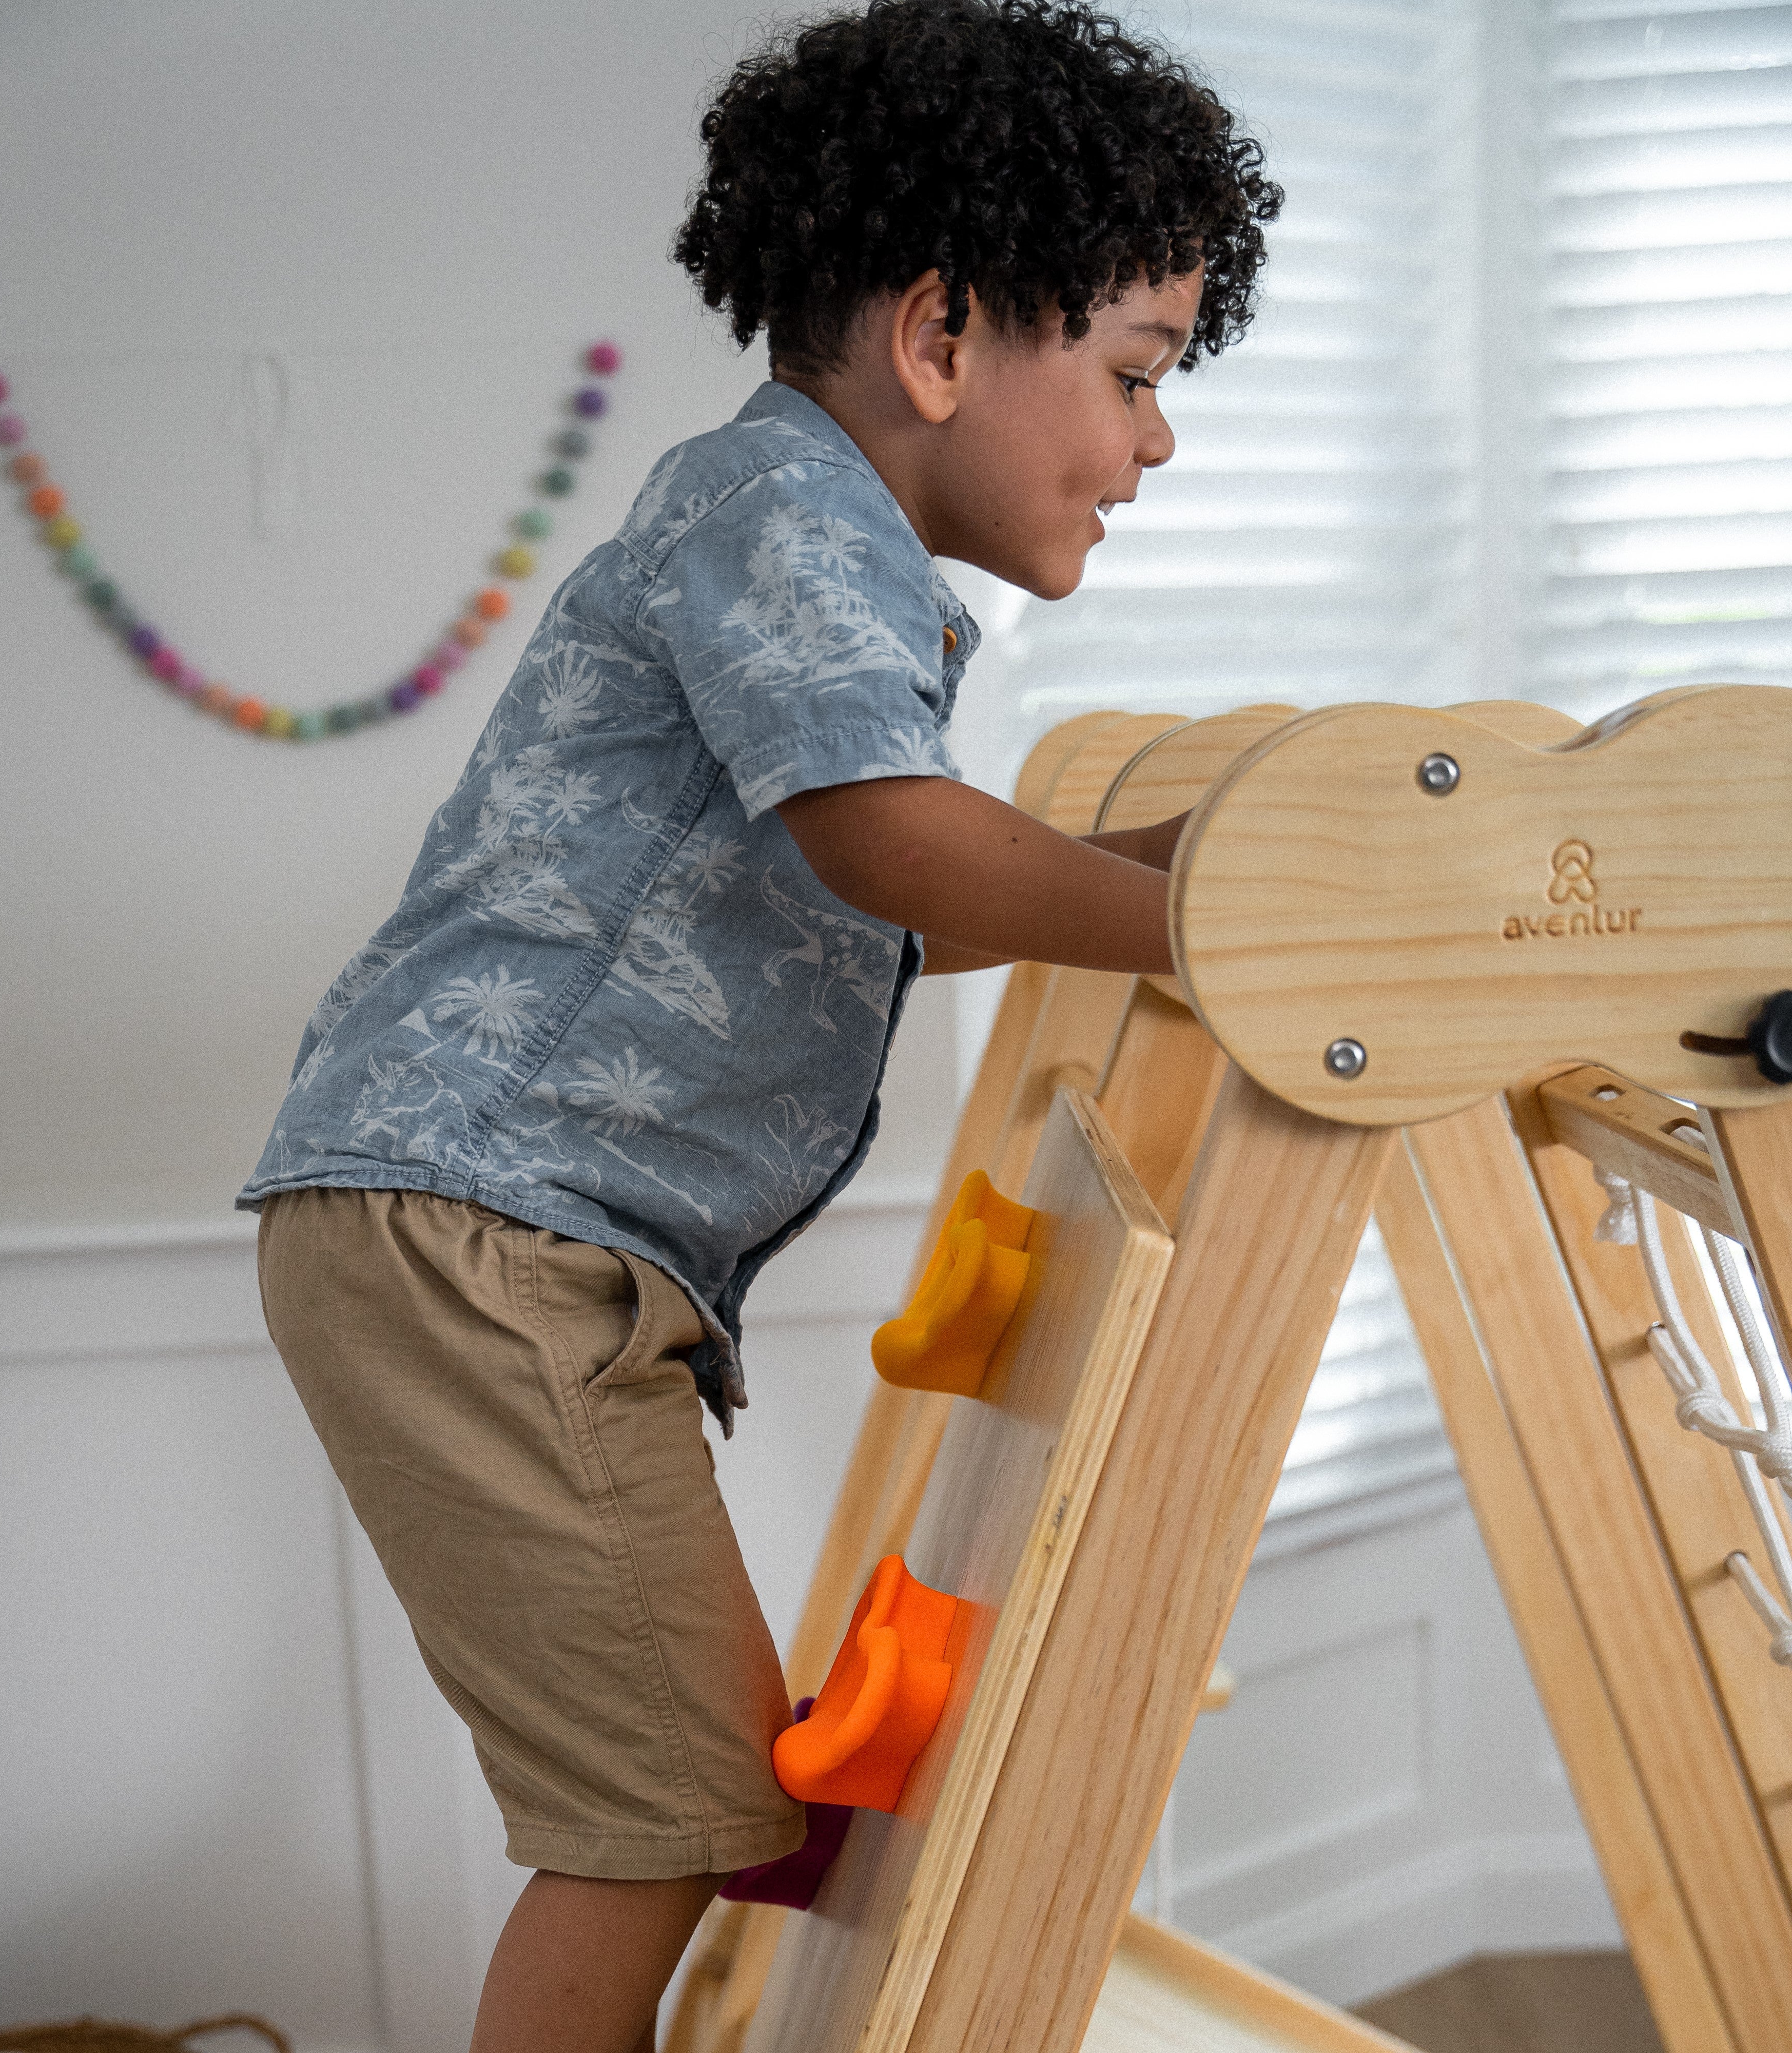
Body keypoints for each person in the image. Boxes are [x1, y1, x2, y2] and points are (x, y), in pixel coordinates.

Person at [240, 4, 1279, 2047]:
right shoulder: (787, 515)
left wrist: (1158, 864)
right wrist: (1202, 923)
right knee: (658, 1817)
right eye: (1140, 373)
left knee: (713, 1784)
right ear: (941, 335)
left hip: (503, 1232)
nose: (1156, 439)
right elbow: (889, 845)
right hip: (483, 1229)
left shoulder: (803, 545)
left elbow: (870, 889)